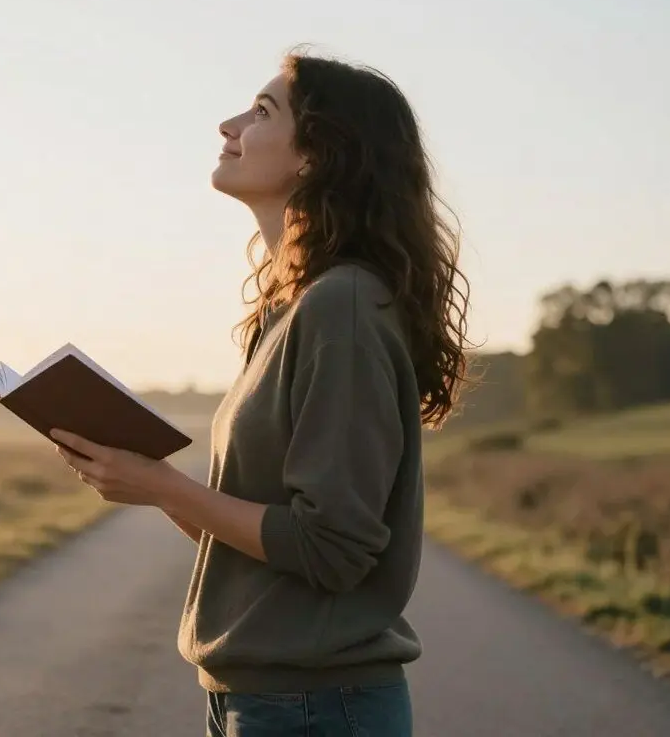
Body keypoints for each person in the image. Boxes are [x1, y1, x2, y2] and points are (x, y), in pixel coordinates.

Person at [51, 49, 472, 736]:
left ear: (316, 156)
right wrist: (147, 482)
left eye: (263, 111)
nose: (229, 124)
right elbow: (266, 540)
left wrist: (163, 484)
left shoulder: (344, 307)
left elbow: (330, 547)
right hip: (259, 701)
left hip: (316, 709)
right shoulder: (291, 309)